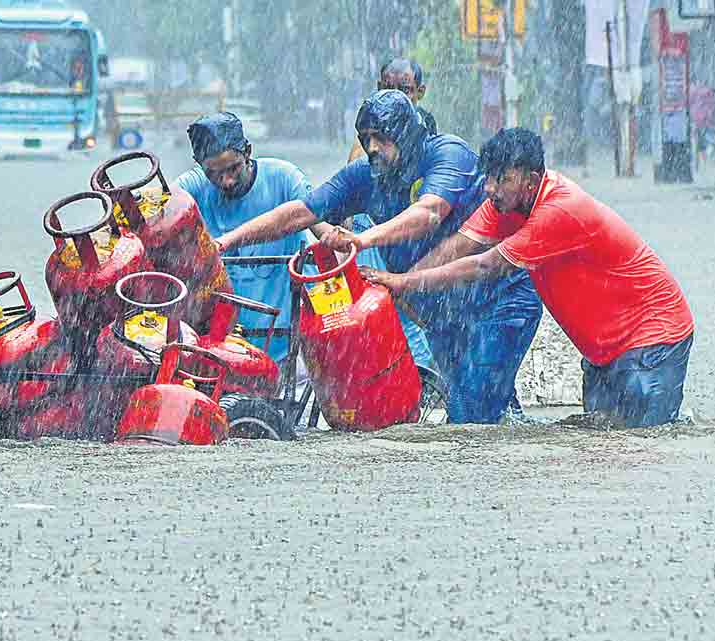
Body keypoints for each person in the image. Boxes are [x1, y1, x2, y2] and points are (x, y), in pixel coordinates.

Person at [214, 90, 543, 424]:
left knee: (470, 411)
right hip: (439, 311)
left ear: (407, 135)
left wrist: (361, 239)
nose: (372, 148)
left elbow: (429, 212)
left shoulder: (447, 155)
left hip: (500, 299)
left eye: (381, 138)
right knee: (482, 407)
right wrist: (226, 242)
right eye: (365, 138)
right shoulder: (366, 175)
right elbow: (301, 212)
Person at [360, 128, 695, 428]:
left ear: (531, 180)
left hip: (653, 339)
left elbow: (485, 265)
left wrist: (404, 283)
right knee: (601, 441)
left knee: (645, 444)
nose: (490, 188)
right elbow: (460, 246)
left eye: (502, 179)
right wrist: (402, 282)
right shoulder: (505, 205)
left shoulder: (558, 210)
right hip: (604, 352)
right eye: (488, 177)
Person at [176, 112, 333, 368]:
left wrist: (338, 239)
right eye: (213, 173)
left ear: (248, 151)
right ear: (198, 164)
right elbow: (163, 210)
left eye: (233, 168)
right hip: (220, 350)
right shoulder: (192, 187)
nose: (225, 180)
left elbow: (319, 225)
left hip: (287, 344)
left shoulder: (284, 178)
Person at [346, 58, 440, 372]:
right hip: (378, 238)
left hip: (417, 237)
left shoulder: (430, 135)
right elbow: (348, 205)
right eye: (389, 89)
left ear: (420, 93)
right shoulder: (366, 147)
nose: (397, 96)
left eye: (405, 90)